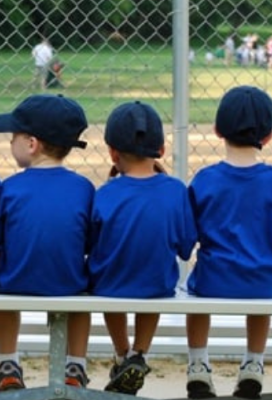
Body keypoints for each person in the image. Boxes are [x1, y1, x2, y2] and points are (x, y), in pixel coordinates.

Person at [185, 86, 272, 400]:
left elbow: (184, 237)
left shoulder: (205, 179)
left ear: (217, 131)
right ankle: (253, 365)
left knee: (193, 295)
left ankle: (197, 366)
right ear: (269, 137)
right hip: (263, 284)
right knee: (263, 293)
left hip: (213, 282)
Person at [0, 94, 93, 392]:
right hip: (69, 284)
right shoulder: (83, 188)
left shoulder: (9, 188)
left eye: (14, 135)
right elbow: (90, 242)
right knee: (81, 302)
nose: (9, 141)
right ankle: (75, 366)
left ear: (32, 144)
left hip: (16, 283)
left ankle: (9, 363)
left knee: (4, 291)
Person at [88, 101, 198, 395]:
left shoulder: (105, 193)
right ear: (161, 150)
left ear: (113, 153)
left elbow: (90, 244)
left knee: (107, 279)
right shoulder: (176, 190)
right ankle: (139, 353)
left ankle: (122, 353)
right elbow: (186, 247)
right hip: (156, 284)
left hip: (109, 285)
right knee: (155, 278)